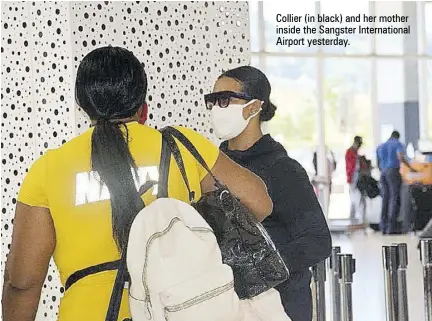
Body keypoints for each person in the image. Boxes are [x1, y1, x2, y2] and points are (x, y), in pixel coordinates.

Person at [2, 47, 273, 321]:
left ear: (83, 103)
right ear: (141, 102)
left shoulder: (50, 168)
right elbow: (258, 201)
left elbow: (22, 281)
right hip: (172, 310)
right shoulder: (181, 146)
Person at [206, 65, 332, 321]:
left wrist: (259, 271)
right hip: (228, 307)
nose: (216, 108)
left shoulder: (282, 169)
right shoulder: (211, 165)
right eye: (212, 100)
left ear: (254, 107)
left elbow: (318, 240)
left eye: (225, 99)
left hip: (282, 307)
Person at [376, 130, 416, 234]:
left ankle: (383, 227)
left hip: (383, 172)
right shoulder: (397, 144)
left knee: (385, 199)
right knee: (394, 198)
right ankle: (391, 227)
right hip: (393, 171)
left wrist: (382, 169)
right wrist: (411, 168)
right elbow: (400, 157)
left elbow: (378, 161)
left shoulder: (381, 146)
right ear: (397, 137)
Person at [345, 136, 366, 225]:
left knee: (356, 200)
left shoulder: (356, 153)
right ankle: (357, 220)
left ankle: (354, 220)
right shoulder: (349, 153)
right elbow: (352, 168)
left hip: (357, 179)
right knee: (357, 200)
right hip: (353, 180)